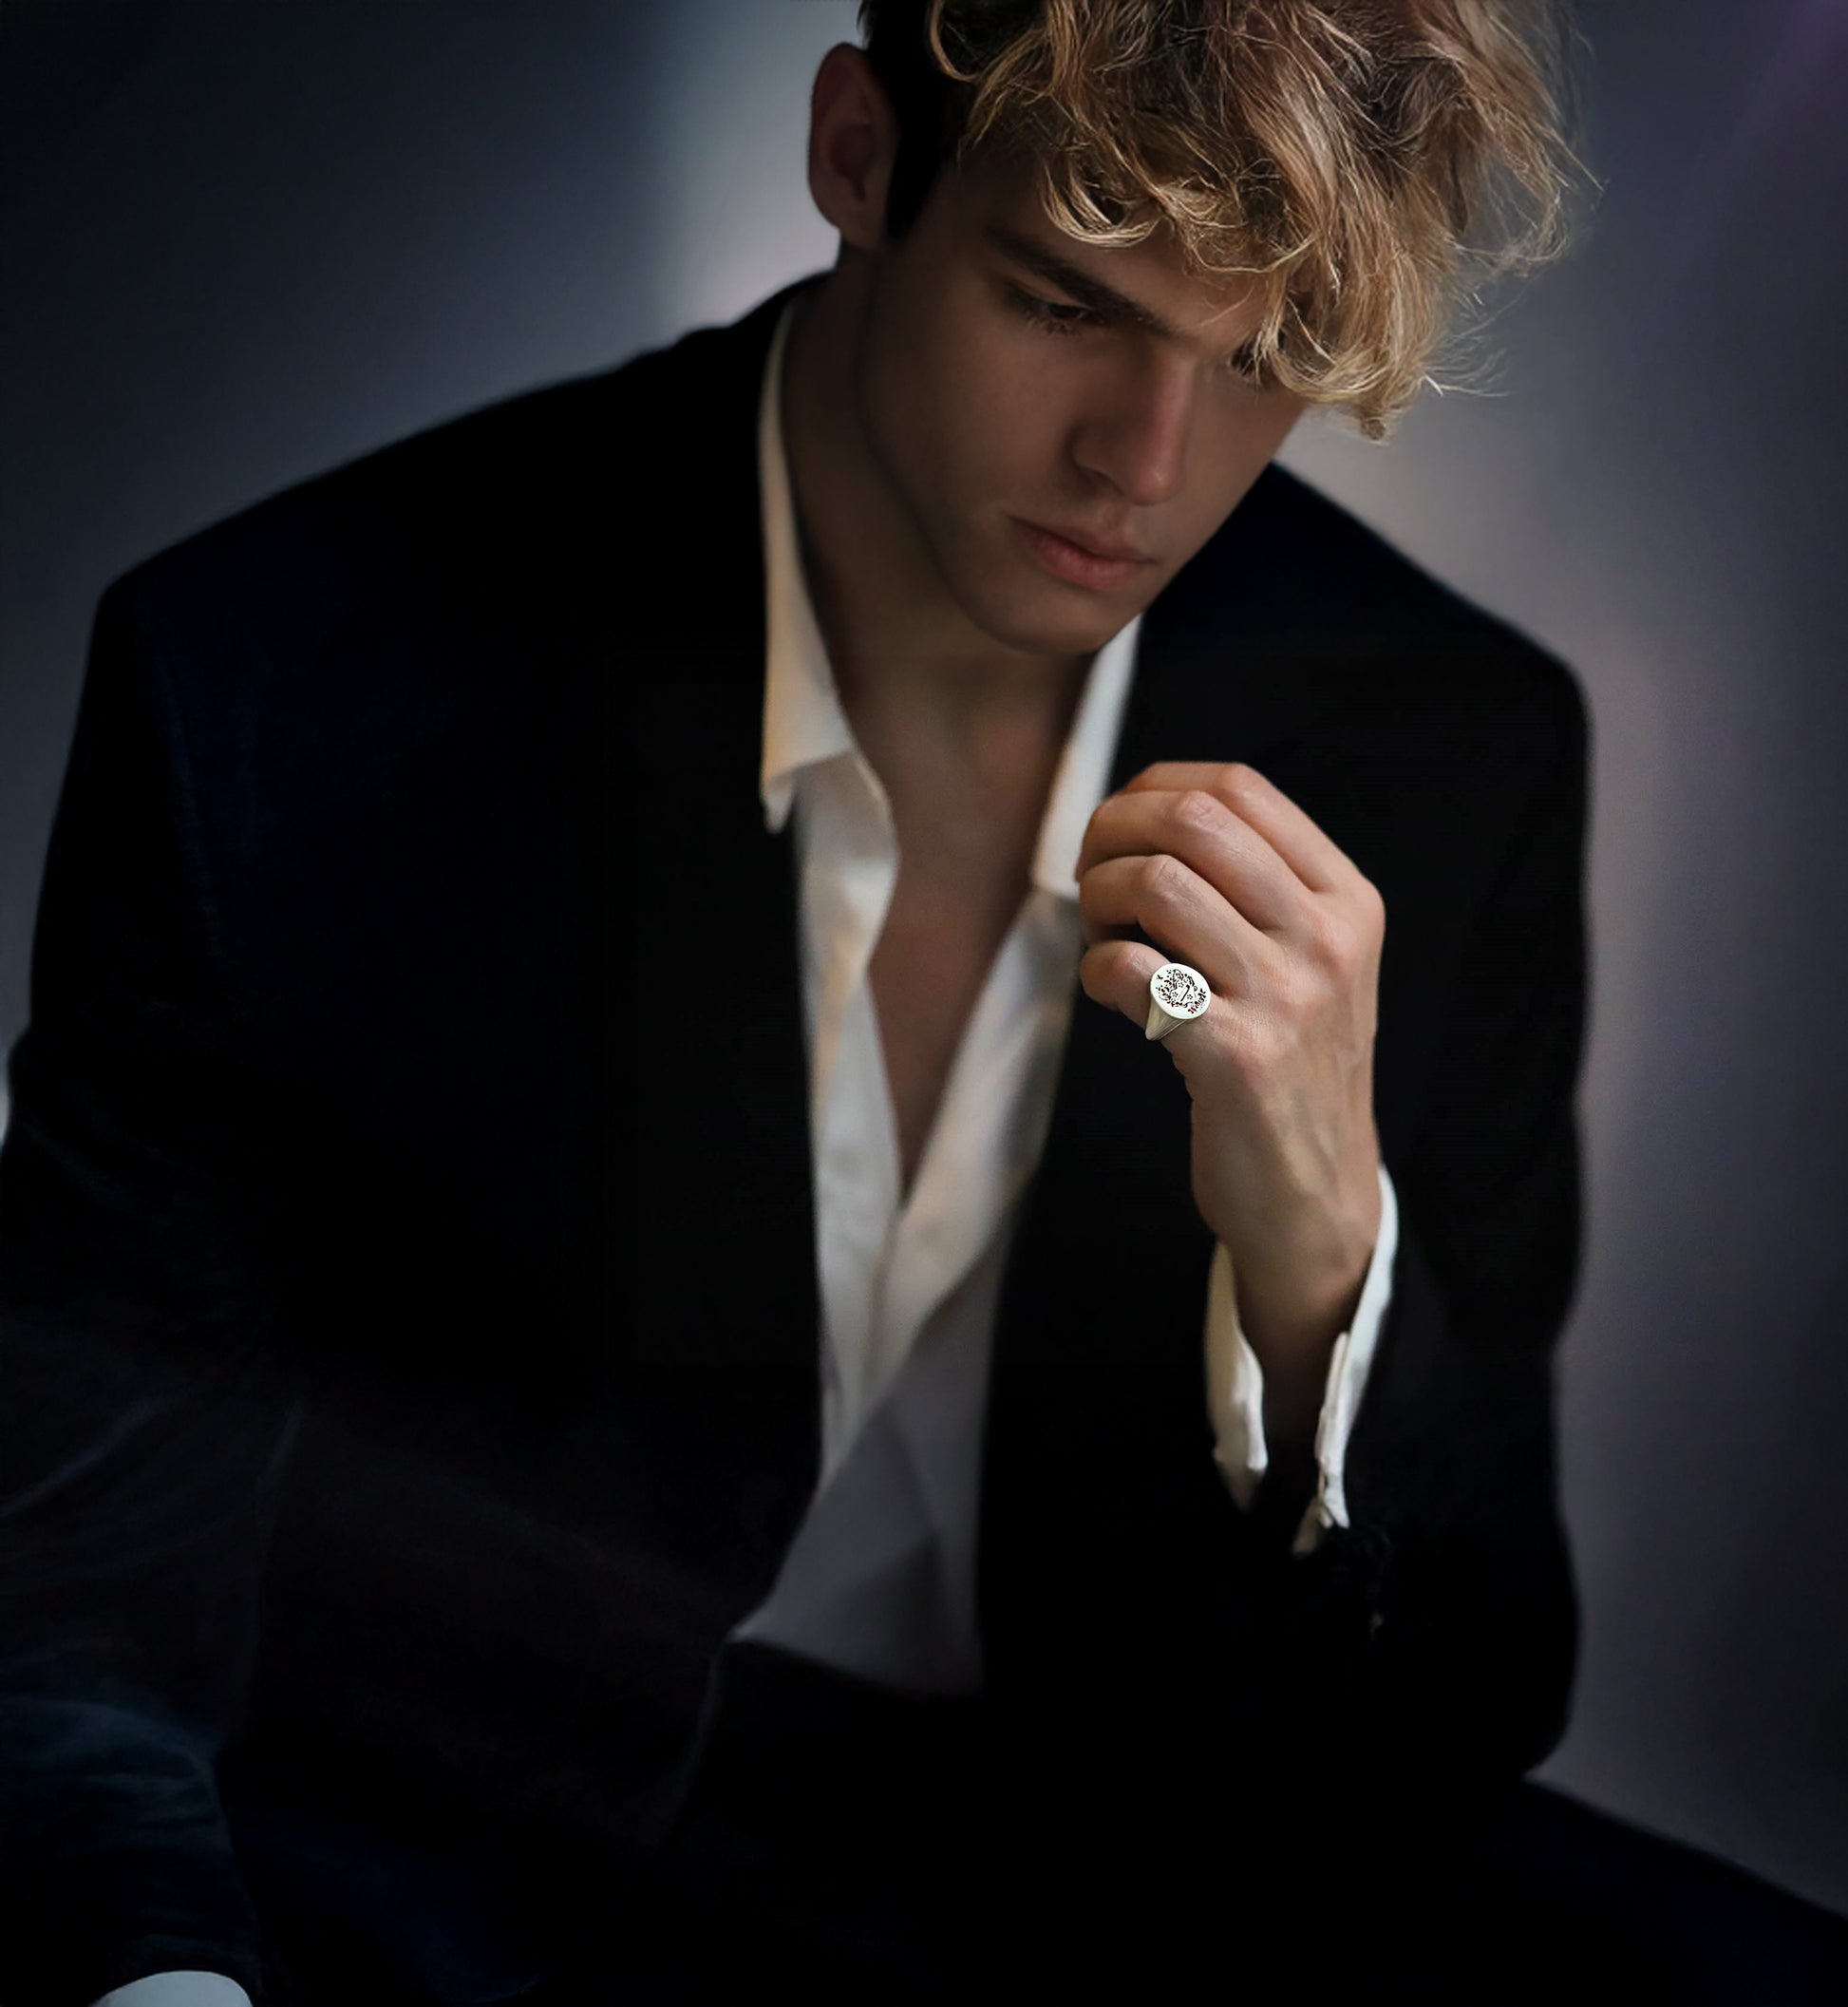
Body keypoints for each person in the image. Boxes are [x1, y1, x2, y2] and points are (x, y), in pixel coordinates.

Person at [3, 3, 1845, 2002]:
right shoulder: (276, 684)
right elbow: (72, 1622)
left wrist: (1323, 1269)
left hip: (1149, 1852)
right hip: (473, 1854)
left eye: (1261, 361)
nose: (1140, 465)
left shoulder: (1452, 740)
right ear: (859, 156)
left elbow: (1472, 1695)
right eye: (1063, 300)